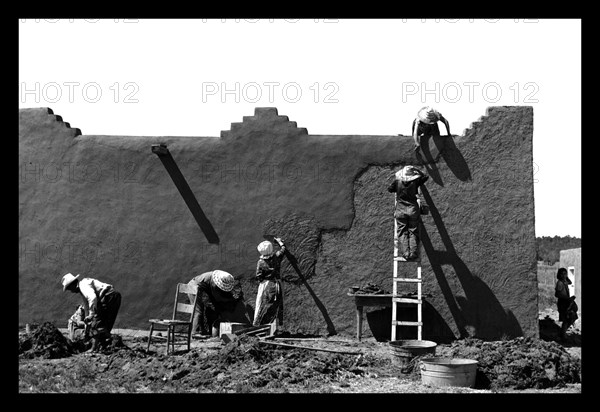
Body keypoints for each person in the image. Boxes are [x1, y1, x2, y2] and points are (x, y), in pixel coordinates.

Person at [61, 273, 122, 351]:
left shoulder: (83, 285)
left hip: (108, 297)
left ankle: (94, 348)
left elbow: (92, 298)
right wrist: (87, 321)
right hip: (113, 296)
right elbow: (86, 306)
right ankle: (107, 344)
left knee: (96, 324)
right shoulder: (83, 289)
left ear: (72, 285)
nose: (71, 291)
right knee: (105, 324)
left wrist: (91, 315)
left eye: (70, 289)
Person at [187, 269, 251, 337]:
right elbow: (217, 298)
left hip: (196, 286)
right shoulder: (214, 284)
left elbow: (213, 297)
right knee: (198, 311)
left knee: (201, 309)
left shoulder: (215, 279)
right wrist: (228, 299)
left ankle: (201, 330)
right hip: (193, 288)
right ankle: (195, 332)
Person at [387, 165, 429, 261]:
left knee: (402, 232)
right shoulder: (415, 181)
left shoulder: (397, 181)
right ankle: (413, 253)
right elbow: (425, 177)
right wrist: (417, 170)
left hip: (400, 210)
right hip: (412, 210)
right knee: (413, 231)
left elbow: (389, 189)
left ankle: (406, 253)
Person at [253, 237, 287, 327]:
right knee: (277, 305)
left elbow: (258, 276)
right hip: (277, 285)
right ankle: (277, 326)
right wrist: (280, 242)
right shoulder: (277, 257)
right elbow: (283, 249)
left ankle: (261, 325)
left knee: (263, 305)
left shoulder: (261, 262)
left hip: (266, 285)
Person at [555, 267, 578, 340]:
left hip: (566, 302)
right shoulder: (559, 283)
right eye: (562, 274)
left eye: (565, 274)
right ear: (559, 275)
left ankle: (562, 333)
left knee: (571, 317)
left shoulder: (564, 281)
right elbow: (557, 294)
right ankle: (563, 334)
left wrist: (566, 278)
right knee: (567, 318)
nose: (564, 275)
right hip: (563, 303)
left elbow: (570, 282)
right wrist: (568, 298)